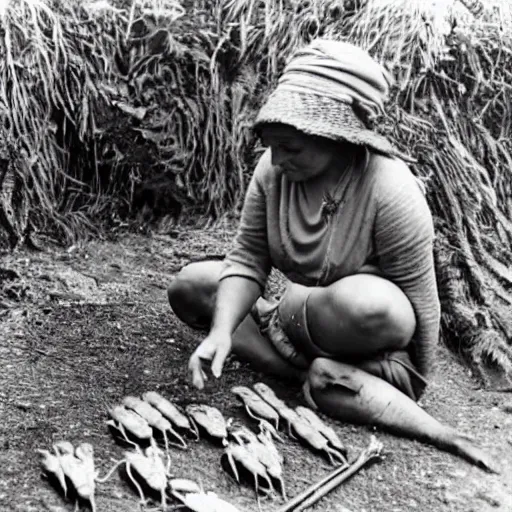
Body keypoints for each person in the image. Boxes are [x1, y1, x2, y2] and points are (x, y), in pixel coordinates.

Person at [167, 39, 441, 426]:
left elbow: (420, 303)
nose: (277, 159)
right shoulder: (273, 170)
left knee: (369, 304)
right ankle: (307, 376)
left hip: (359, 334)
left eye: (291, 148)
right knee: (191, 285)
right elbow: (247, 257)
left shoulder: (392, 191)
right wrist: (221, 332)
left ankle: (347, 371)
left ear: (337, 137)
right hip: (287, 323)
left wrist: (412, 382)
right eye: (271, 146)